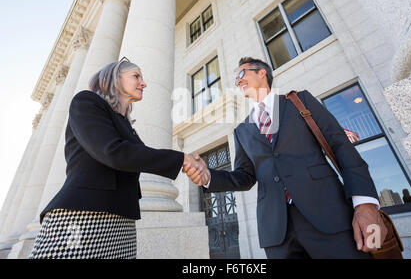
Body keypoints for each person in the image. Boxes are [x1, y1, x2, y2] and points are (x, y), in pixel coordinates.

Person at [184, 57, 388, 259]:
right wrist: (208, 176)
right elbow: (244, 177)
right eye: (236, 79)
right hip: (276, 233)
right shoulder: (241, 131)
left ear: (262, 73)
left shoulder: (301, 101)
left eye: (241, 74)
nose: (238, 81)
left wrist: (365, 204)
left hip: (329, 216)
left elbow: (341, 146)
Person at [29, 57, 205, 259]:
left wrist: (193, 165)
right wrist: (182, 159)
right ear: (114, 78)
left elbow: (142, 156)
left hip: (123, 223)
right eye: (136, 76)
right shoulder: (86, 102)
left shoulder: (128, 128)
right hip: (81, 215)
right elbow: (114, 152)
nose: (144, 83)